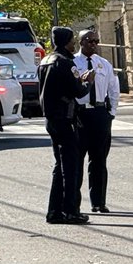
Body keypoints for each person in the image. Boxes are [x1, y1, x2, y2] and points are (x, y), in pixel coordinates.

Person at [38, 26, 94, 224]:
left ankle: (54, 211)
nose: (74, 44)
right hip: (65, 118)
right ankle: (71, 211)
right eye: (72, 40)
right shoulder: (65, 62)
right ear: (65, 41)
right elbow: (78, 91)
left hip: (51, 119)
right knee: (70, 167)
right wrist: (88, 82)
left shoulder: (46, 61)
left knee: (59, 165)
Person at [74, 29, 119, 213]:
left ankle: (98, 202)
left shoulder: (104, 64)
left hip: (100, 113)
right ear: (80, 42)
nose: (93, 44)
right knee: (76, 160)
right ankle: (74, 203)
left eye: (96, 41)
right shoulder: (73, 63)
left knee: (99, 160)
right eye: (89, 40)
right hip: (80, 114)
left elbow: (113, 89)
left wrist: (111, 113)